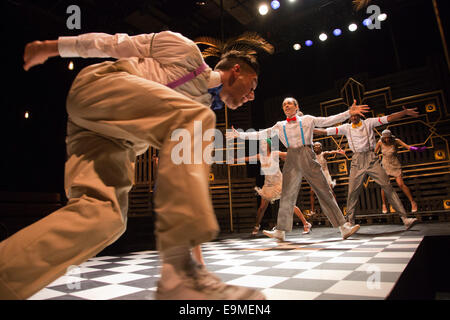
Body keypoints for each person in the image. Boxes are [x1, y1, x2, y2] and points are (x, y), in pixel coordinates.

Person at [0, 31, 268, 300]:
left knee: (104, 217)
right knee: (196, 120)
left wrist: (196, 266)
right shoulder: (185, 52)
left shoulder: (199, 109)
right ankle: (179, 275)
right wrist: (50, 47)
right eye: (253, 86)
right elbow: (112, 43)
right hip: (100, 89)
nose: (252, 96)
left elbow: (183, 188)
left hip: (111, 138)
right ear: (237, 70)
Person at [227, 97, 370, 241]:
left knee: (324, 190)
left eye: (289, 103)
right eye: (284, 104)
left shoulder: (307, 119)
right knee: (287, 194)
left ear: (296, 106)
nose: (286, 105)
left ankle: (343, 227)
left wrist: (348, 113)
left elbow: (328, 120)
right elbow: (261, 134)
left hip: (307, 153)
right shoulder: (280, 125)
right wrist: (240, 135)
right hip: (291, 157)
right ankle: (280, 231)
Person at [316, 106, 420, 230]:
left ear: (359, 115)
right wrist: (308, 129)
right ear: (349, 116)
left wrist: (405, 112)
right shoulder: (346, 128)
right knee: (352, 191)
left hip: (371, 158)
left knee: (387, 186)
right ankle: (349, 221)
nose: (354, 117)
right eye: (351, 115)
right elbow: (325, 131)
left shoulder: (369, 122)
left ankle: (405, 218)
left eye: (356, 115)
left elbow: (389, 118)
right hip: (357, 160)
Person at [238, 138, 312, 236]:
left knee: (290, 205)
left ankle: (306, 224)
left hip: (279, 183)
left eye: (264, 144)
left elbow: (289, 155)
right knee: (261, 208)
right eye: (261, 144)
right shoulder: (260, 156)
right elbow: (248, 158)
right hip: (268, 185)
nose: (262, 146)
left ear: (268, 145)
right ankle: (256, 226)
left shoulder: (275, 153)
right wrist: (235, 159)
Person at [375, 129, 426, 214]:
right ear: (383, 138)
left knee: (401, 184)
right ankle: (384, 205)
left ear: (391, 137)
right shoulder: (380, 142)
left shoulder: (396, 141)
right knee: (384, 186)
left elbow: (407, 146)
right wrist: (377, 157)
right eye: (385, 138)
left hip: (395, 164)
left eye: (388, 138)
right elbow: (374, 152)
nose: (387, 140)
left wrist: (417, 149)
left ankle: (413, 202)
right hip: (385, 165)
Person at [309, 142, 345, 216]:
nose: (316, 147)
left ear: (321, 147)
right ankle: (312, 211)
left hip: (325, 175)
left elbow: (330, 152)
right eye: (314, 146)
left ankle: (336, 209)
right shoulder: (312, 156)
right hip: (316, 176)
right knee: (312, 193)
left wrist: (338, 151)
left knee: (331, 192)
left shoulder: (323, 154)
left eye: (317, 146)